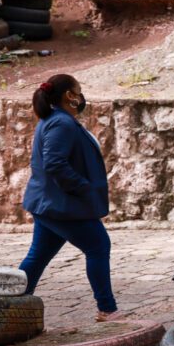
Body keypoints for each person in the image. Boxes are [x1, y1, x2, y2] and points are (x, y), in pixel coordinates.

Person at [20, 74, 120, 321]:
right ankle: (107, 310)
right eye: (79, 90)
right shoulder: (62, 123)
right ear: (69, 96)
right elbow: (54, 163)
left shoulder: (55, 120)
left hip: (49, 203)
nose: (81, 95)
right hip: (62, 205)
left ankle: (11, 305)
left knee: (38, 256)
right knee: (98, 245)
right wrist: (83, 188)